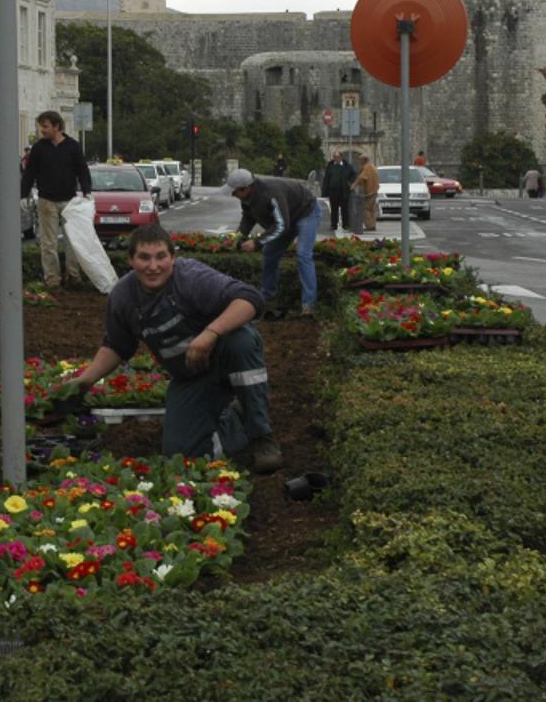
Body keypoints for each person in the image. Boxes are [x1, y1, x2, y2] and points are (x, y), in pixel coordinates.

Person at [71, 224, 283, 472]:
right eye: (144, 258)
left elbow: (250, 299)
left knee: (241, 341)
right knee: (180, 456)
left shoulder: (190, 277)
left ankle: (261, 436)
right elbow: (117, 346)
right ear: (130, 260)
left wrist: (210, 334)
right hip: (191, 377)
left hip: (227, 360)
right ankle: (236, 419)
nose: (153, 266)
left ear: (173, 257)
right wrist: (83, 383)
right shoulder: (123, 297)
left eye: (161, 256)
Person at [224, 168, 322, 318]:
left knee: (303, 254)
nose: (233, 195)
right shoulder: (246, 199)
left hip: (306, 212)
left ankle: (308, 305)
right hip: (286, 218)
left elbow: (282, 226)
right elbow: (248, 218)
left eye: (235, 192)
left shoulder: (270, 194)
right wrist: (238, 236)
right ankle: (268, 296)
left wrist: (257, 242)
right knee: (269, 253)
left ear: (246, 188)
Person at [20, 110, 92, 290]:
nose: (42, 131)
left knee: (73, 241)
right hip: (46, 201)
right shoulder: (38, 148)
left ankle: (73, 278)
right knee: (48, 243)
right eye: (41, 127)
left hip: (69, 201)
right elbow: (30, 173)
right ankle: (52, 281)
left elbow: (82, 170)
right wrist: (23, 194)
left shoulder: (73, 147)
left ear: (56, 126)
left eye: (45, 127)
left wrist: (87, 192)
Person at [320, 150, 357, 231]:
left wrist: (350, 182)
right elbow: (326, 179)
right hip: (333, 191)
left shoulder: (347, 166)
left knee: (344, 209)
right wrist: (324, 191)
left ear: (341, 157)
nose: (336, 159)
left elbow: (354, 175)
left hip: (343, 191)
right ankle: (334, 225)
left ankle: (345, 224)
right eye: (334, 157)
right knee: (334, 209)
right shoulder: (330, 166)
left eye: (337, 157)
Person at [349, 154, 380, 232]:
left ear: (364, 160)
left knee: (365, 209)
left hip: (369, 192)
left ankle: (369, 226)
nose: (359, 161)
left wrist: (354, 184)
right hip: (374, 190)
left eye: (360, 160)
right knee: (371, 209)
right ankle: (373, 224)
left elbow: (361, 177)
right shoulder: (372, 166)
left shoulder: (366, 167)